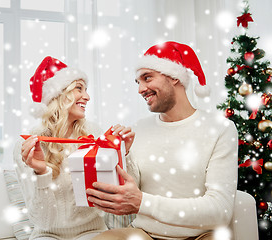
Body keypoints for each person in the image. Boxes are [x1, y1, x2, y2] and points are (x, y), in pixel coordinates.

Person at [87, 41, 238, 240]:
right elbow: (130, 191)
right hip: (144, 234)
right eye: (138, 82)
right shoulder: (139, 128)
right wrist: (125, 154)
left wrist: (143, 203)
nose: (141, 89)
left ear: (175, 77)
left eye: (147, 78)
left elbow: (220, 210)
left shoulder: (220, 129)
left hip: (201, 235)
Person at [13, 56, 135, 240]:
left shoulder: (93, 134)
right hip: (47, 234)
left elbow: (123, 194)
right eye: (79, 88)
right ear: (58, 95)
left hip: (92, 231)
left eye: (86, 90)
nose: (87, 96)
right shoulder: (28, 146)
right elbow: (43, 221)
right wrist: (41, 173)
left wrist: (122, 154)